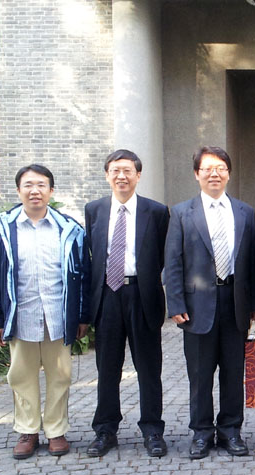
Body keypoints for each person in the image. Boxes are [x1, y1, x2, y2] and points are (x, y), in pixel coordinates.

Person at [0, 164, 90, 459]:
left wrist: (82, 316)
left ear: (51, 191)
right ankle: (28, 430)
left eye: (41, 185)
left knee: (61, 376)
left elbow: (84, 274)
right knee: (21, 375)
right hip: (21, 315)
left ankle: (56, 431)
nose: (35, 191)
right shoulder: (0, 229)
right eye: (28, 185)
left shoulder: (69, 230)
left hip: (58, 315)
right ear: (18, 190)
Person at [164, 146, 255, 459]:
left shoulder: (245, 212)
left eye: (220, 168)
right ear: (197, 174)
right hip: (196, 306)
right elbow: (173, 261)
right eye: (207, 168)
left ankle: (231, 431)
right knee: (200, 374)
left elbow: (251, 261)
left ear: (228, 173)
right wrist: (175, 302)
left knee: (233, 373)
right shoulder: (182, 212)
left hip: (234, 301)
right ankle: (202, 432)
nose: (214, 174)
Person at [84, 149, 170, 458]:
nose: (121, 176)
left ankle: (153, 430)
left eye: (128, 171)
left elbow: (162, 255)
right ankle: (105, 430)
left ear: (138, 175)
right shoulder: (94, 210)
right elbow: (92, 255)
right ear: (107, 175)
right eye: (115, 170)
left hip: (142, 295)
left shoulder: (156, 211)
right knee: (107, 368)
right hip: (107, 296)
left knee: (149, 368)